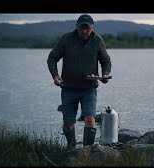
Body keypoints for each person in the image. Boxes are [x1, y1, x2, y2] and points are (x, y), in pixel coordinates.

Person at [47, 14, 111, 149]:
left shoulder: (98, 40)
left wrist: (105, 74)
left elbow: (106, 61)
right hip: (68, 88)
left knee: (89, 119)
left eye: (87, 28)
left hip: (89, 89)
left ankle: (87, 151)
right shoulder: (66, 39)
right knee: (69, 123)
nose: (85, 31)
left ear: (92, 28)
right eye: (82, 28)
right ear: (76, 27)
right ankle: (71, 147)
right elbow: (52, 58)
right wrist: (55, 75)